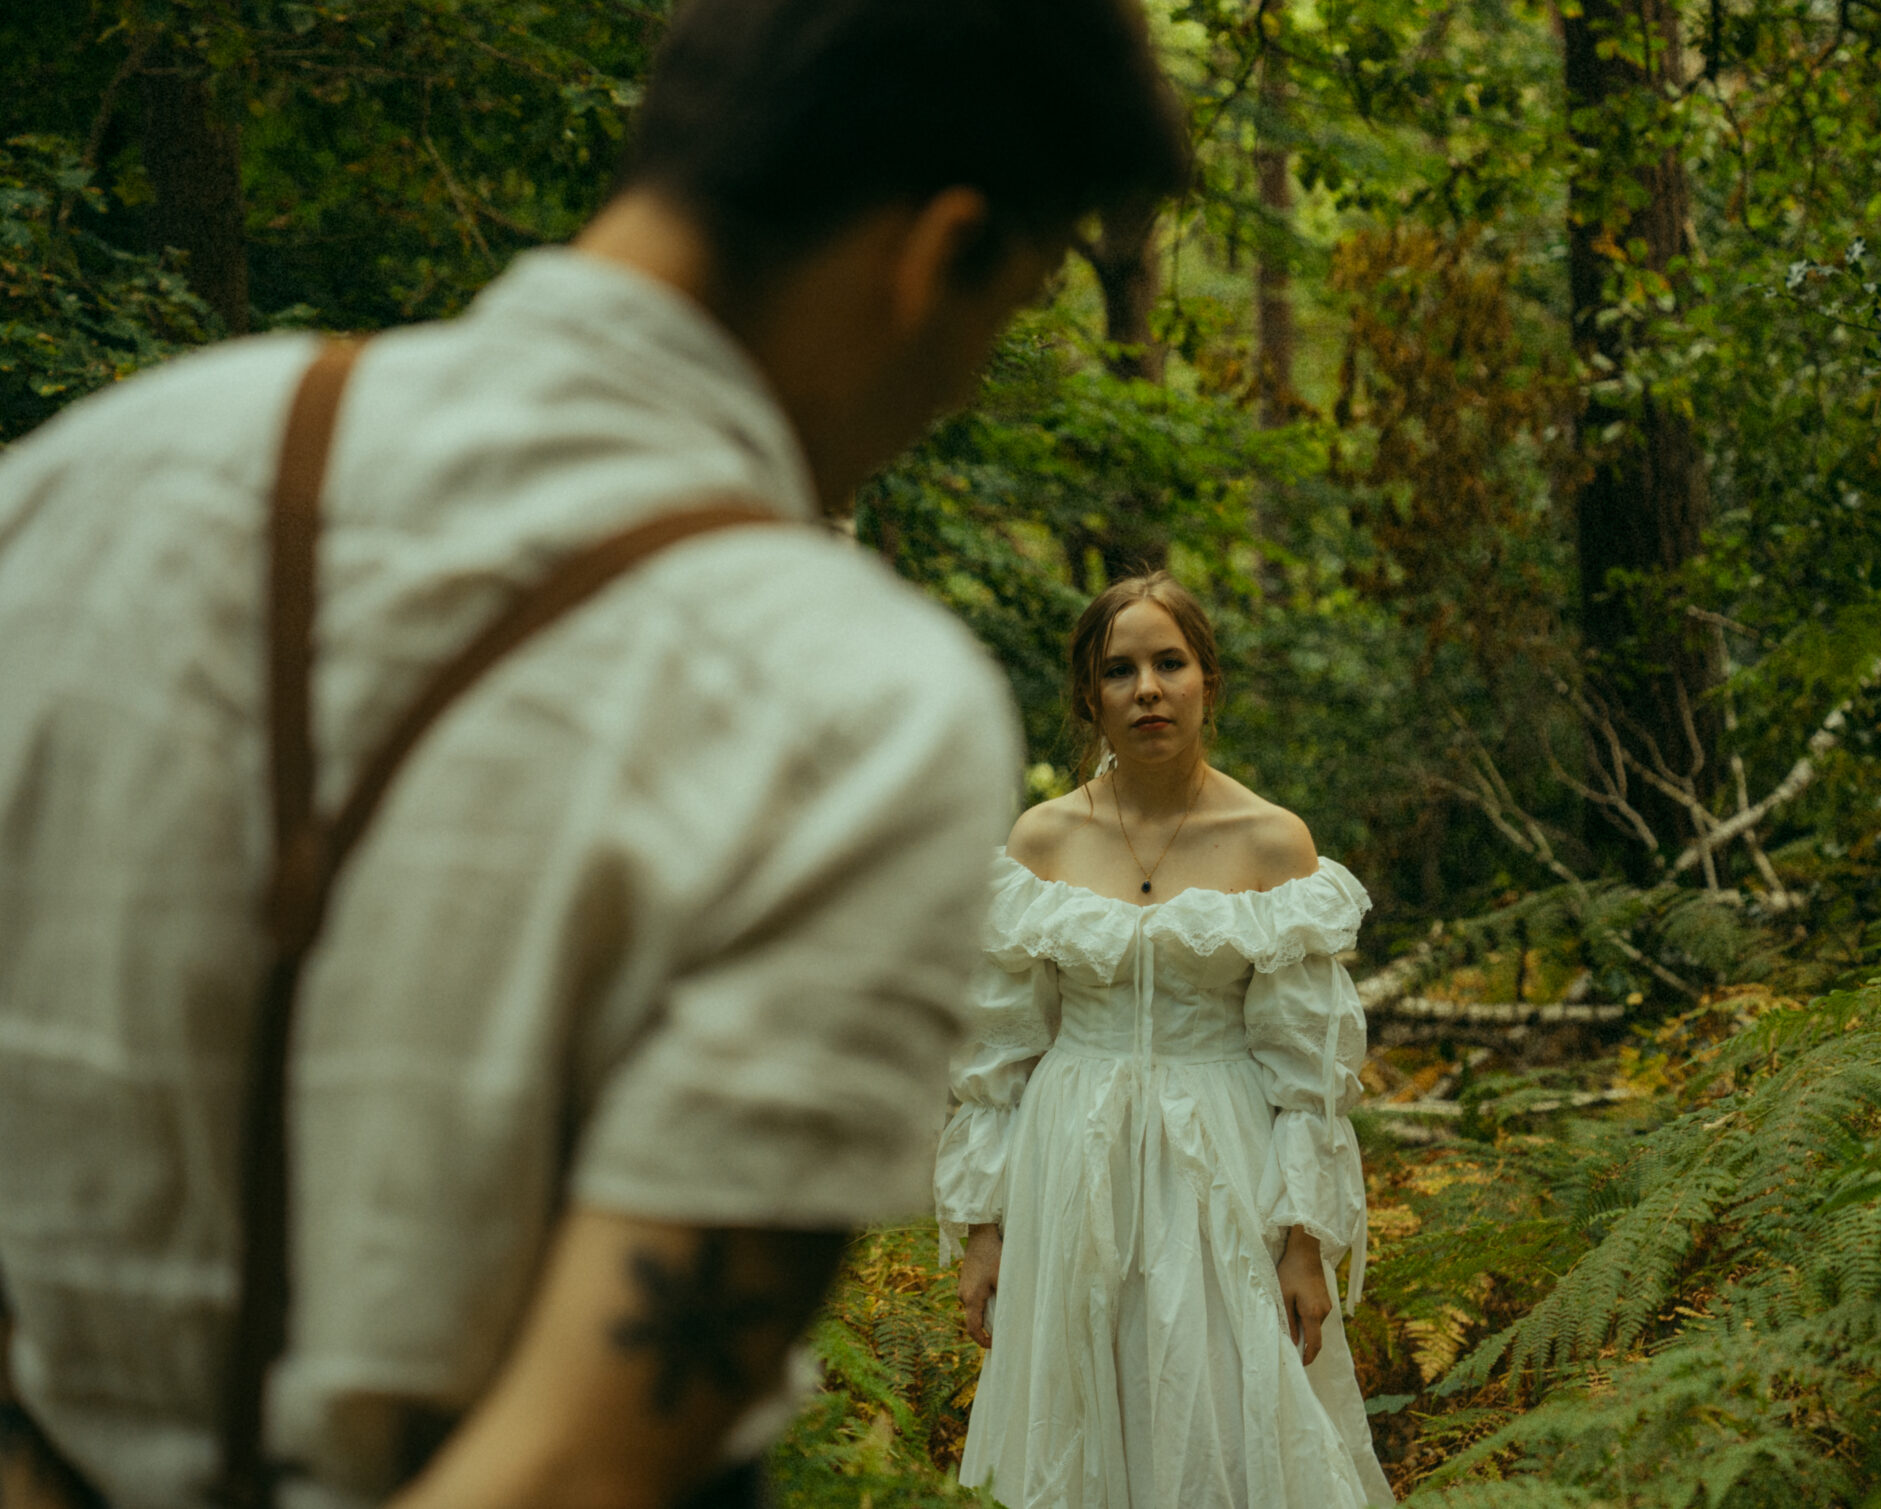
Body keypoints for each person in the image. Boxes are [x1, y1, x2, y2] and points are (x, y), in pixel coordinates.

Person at [0, 1, 1189, 1505]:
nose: (961, 383)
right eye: (1008, 306)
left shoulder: (84, 489)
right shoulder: (851, 709)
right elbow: (578, 1463)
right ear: (936, 250)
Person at [934, 573, 1398, 1508]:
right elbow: (997, 1054)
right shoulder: (1042, 841)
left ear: (1205, 681)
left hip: (1218, 1163)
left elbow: (1306, 1069)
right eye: (1119, 670)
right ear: (1091, 699)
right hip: (1070, 1162)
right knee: (1072, 1414)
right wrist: (983, 1228)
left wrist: (1305, 1241)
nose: (1146, 688)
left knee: (1222, 1404)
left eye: (1168, 663)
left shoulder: (1272, 842)